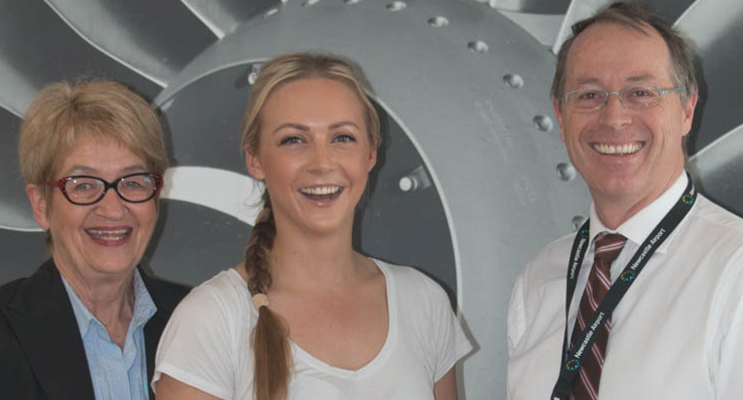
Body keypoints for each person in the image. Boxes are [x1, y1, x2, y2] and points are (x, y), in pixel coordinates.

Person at [152, 52, 472, 400]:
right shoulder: (210, 320)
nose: (322, 163)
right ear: (255, 159)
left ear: (371, 153)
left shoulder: (424, 302)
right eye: (294, 140)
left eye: (343, 138)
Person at [507, 2, 743, 400]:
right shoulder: (537, 282)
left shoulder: (734, 272)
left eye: (641, 93)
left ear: (687, 109)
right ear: (560, 117)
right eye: (589, 95)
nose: (614, 117)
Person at [0, 79, 190, 400]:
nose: (113, 210)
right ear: (41, 205)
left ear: (156, 195)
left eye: (132, 182)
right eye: (84, 185)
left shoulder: (199, 320)